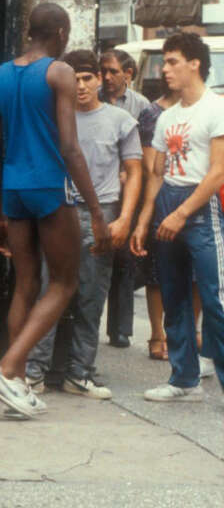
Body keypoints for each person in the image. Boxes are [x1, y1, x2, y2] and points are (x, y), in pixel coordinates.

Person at [0, 2, 109, 419]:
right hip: (49, 186)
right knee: (65, 282)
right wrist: (97, 211)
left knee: (26, 284)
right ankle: (8, 368)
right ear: (60, 33)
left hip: (12, 188)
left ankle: (16, 387)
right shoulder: (59, 71)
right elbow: (70, 147)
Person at [25, 50, 142, 400]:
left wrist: (124, 217)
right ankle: (34, 372)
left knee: (91, 297)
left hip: (102, 215)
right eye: (74, 79)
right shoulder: (54, 119)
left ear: (99, 80)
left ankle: (79, 373)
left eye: (87, 78)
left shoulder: (120, 120)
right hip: (59, 210)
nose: (81, 86)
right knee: (50, 293)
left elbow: (136, 172)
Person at [131, 32, 224, 401]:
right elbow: (156, 172)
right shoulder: (167, 117)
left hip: (200, 206)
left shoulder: (216, 108)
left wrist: (183, 213)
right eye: (165, 61)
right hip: (167, 200)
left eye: (172, 61)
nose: (165, 69)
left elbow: (217, 172)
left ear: (194, 64)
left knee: (215, 299)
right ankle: (183, 378)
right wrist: (144, 220)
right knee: (174, 297)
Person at [100, 49, 151, 348]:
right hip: (98, 187)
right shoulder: (91, 97)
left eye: (113, 71)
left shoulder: (141, 106)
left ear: (128, 74)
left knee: (125, 260)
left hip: (127, 188)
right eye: (103, 71)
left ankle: (120, 329)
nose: (107, 77)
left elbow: (144, 152)